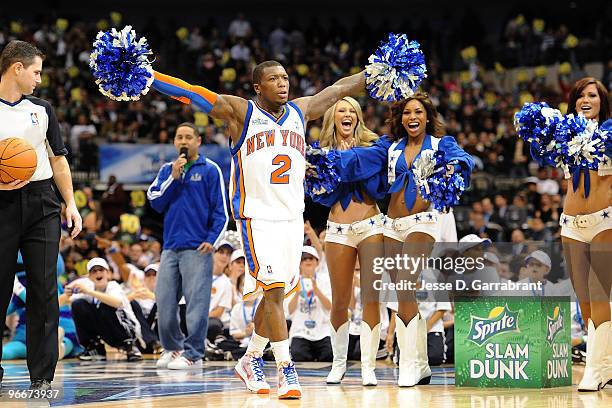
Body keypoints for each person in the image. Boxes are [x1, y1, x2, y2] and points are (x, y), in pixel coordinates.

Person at [151, 58, 367, 398]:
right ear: (257, 87)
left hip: (292, 218)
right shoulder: (241, 113)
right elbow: (193, 93)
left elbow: (340, 88)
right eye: (274, 79)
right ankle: (285, 369)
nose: (283, 83)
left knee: (276, 294)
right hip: (256, 218)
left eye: (285, 77)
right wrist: (149, 77)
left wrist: (377, 72)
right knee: (274, 291)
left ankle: (250, 357)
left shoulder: (301, 110)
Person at [332, 92, 474, 386]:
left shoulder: (440, 144)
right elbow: (360, 157)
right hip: (390, 224)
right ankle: (420, 362)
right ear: (401, 118)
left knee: (406, 283)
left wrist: (455, 167)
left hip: (424, 222)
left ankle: (408, 363)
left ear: (428, 117)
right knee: (401, 290)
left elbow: (464, 159)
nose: (413, 117)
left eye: (418, 113)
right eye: (407, 113)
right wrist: (327, 158)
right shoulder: (389, 146)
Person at [0, 40, 82, 391]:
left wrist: (71, 204)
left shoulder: (43, 109)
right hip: (1, 202)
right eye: (35, 72)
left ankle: (42, 377)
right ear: (16, 68)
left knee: (45, 289)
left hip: (42, 203)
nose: (39, 79)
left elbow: (58, 159)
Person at [311, 97, 386, 385]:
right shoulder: (321, 151)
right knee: (340, 300)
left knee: (371, 297)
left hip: (370, 224)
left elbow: (379, 187)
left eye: (352, 111)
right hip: (338, 228)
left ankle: (368, 366)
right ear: (333, 117)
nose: (347, 114)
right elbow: (318, 194)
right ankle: (339, 363)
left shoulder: (372, 145)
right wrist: (336, 164)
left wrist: (349, 161)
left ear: (358, 117)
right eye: (341, 110)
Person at [147, 122, 229, 370]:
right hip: (171, 247)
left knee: (196, 305)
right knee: (165, 301)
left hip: (198, 248)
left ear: (198, 141)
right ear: (174, 142)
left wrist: (212, 240)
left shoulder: (210, 170)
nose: (183, 141)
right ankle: (173, 349)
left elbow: (221, 213)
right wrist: (173, 178)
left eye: (188, 137)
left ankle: (193, 353)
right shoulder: (166, 171)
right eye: (179, 137)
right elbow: (155, 202)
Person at [554, 78, 611, 391]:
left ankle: (593, 370)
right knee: (585, 301)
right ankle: (606, 364)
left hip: (606, 221)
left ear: (602, 101)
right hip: (571, 224)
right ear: (573, 101)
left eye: (593, 95)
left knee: (598, 290)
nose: (587, 99)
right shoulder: (563, 135)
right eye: (581, 95)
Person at [61, 257, 143, 362]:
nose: (98, 273)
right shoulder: (88, 289)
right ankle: (95, 347)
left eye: (101, 270)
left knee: (105, 305)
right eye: (94, 271)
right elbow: (60, 303)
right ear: (89, 276)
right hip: (107, 333)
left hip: (127, 331)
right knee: (78, 304)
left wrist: (88, 292)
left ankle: (130, 346)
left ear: (108, 273)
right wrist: (66, 295)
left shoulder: (113, 286)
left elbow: (116, 302)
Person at [287, 246, 333, 363]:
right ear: (299, 263)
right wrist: (297, 293)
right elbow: (289, 311)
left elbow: (330, 307)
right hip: (300, 331)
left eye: (311, 258)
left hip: (322, 331)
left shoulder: (325, 280)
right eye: (304, 258)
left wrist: (317, 291)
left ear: (317, 262)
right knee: (299, 355)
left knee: (329, 355)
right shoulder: (292, 281)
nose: (307, 261)